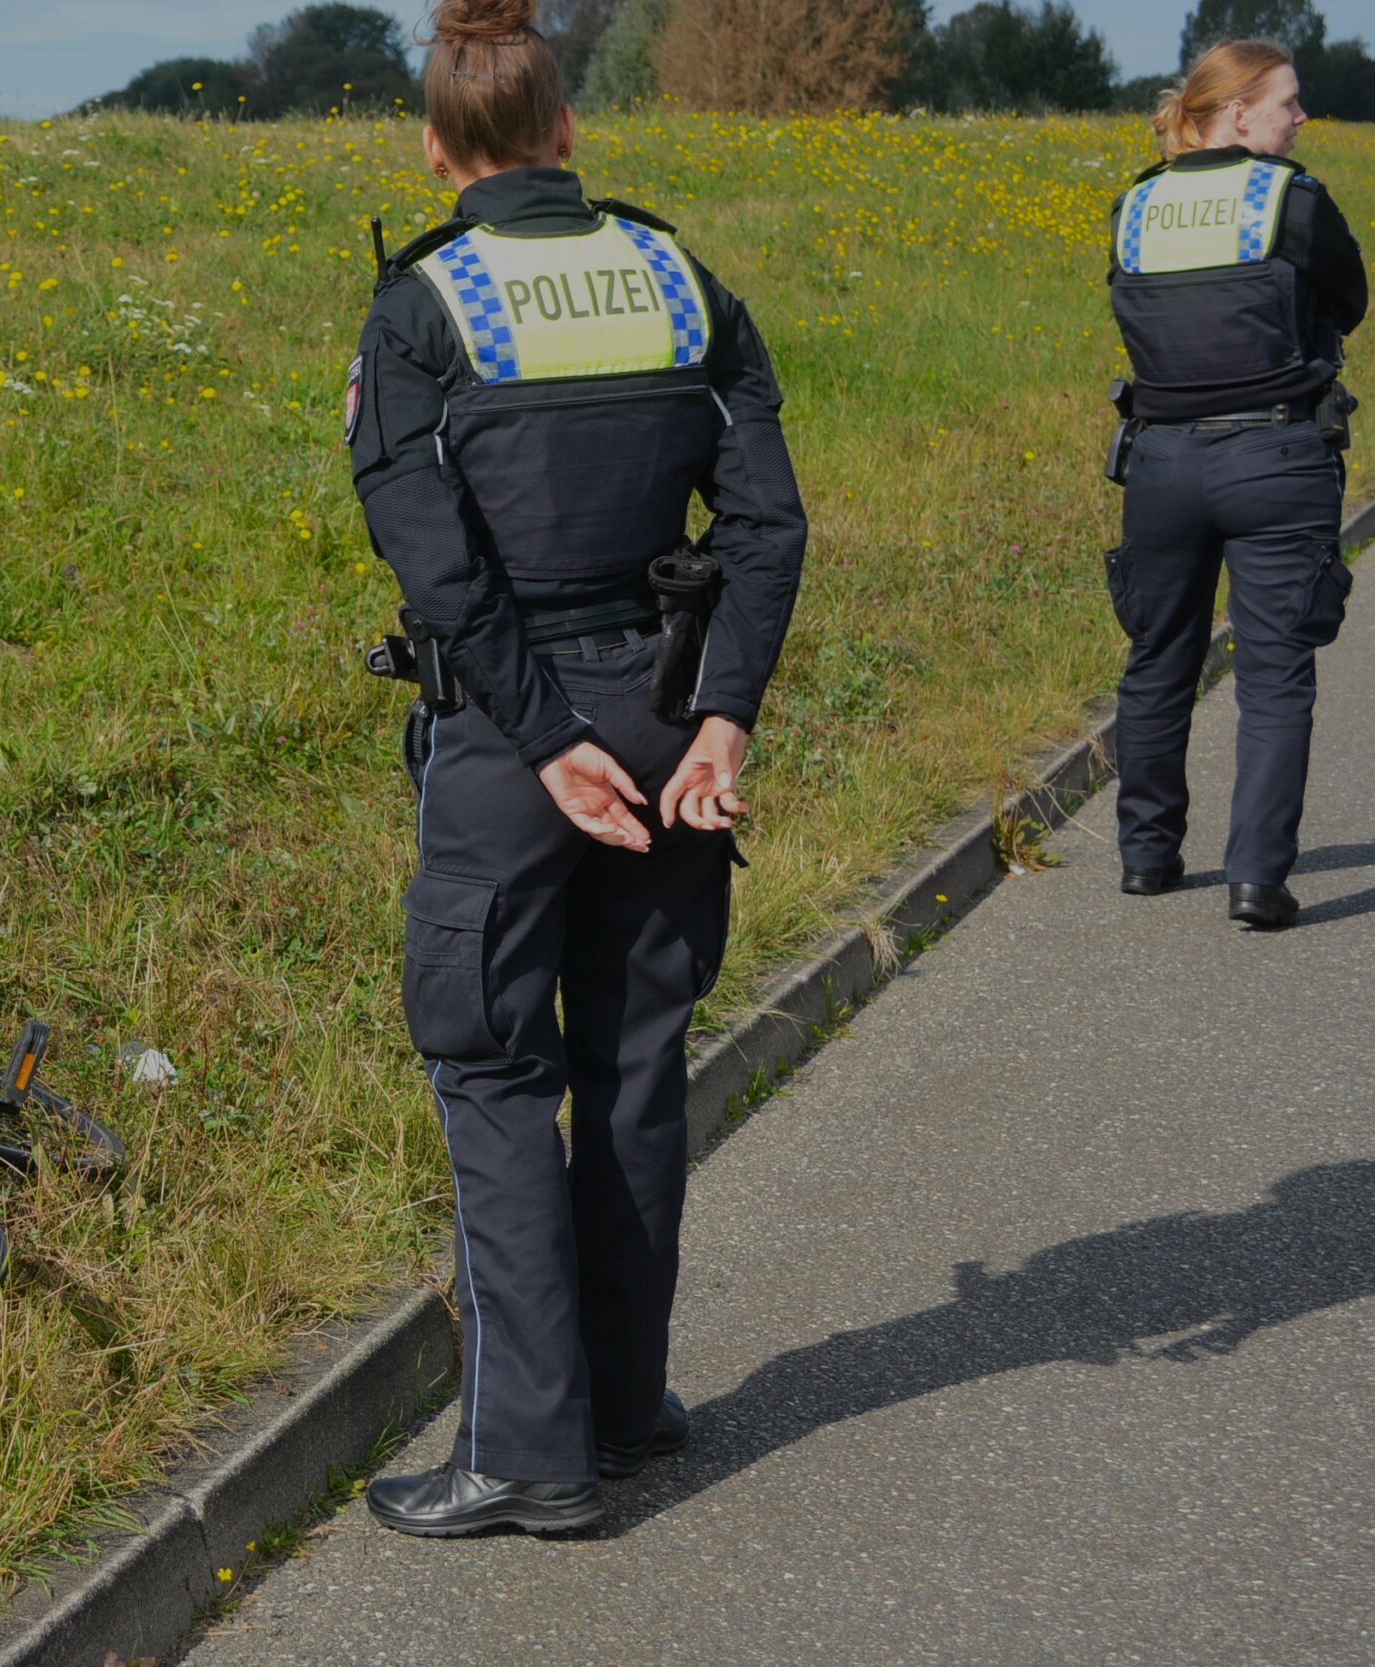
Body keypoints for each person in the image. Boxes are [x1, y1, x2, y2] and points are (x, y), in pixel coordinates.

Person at [348, 0, 805, 1535]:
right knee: (630, 1064)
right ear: (565, 131)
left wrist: (543, 741)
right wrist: (726, 712)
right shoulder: (680, 275)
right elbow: (767, 523)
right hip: (675, 712)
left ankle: (525, 1455)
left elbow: (437, 567)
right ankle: (624, 1404)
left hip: (505, 732)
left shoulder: (423, 306)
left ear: (437, 147)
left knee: (490, 1067)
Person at [1105, 39, 1368, 930]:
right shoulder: (1290, 198)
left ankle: (1145, 855)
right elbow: (1353, 298)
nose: (1301, 118)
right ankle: (1256, 879)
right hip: (1277, 457)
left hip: (1162, 461)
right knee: (1276, 675)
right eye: (1288, 102)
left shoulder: (1135, 203)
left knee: (1156, 660)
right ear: (1238, 112)